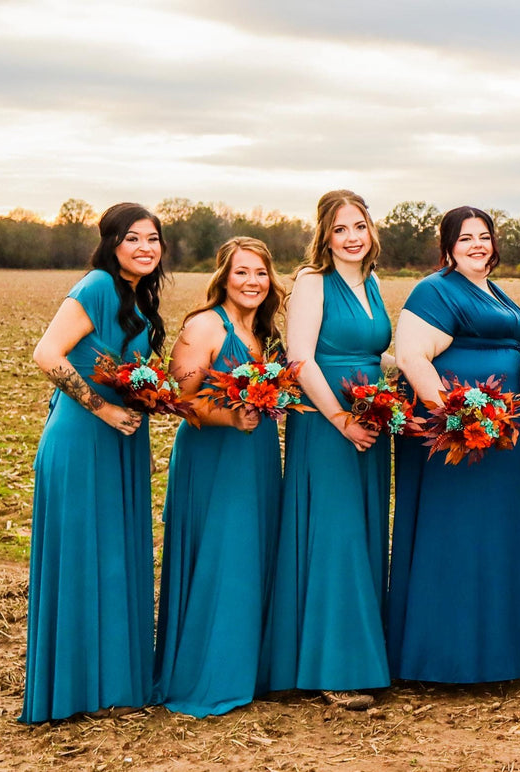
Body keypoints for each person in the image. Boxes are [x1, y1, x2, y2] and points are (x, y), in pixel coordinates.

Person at [23, 203, 168, 723]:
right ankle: (79, 690)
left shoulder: (137, 297)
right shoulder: (98, 287)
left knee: (114, 557)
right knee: (87, 557)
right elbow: (46, 354)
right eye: (133, 239)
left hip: (121, 441)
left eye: (153, 239)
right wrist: (103, 408)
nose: (145, 248)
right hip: (83, 439)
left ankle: (112, 685)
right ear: (111, 244)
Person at [389, 206, 520, 683]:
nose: (478, 244)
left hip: (504, 437)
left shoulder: (493, 289)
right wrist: (457, 418)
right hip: (461, 439)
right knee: (456, 534)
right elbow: (413, 356)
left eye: (485, 236)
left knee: (497, 535)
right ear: (448, 246)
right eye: (466, 237)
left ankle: (501, 654)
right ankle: (444, 656)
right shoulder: (433, 290)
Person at [263, 190, 394, 709]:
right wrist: (340, 419)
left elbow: (374, 352)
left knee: (362, 533)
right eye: (340, 229)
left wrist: (392, 396)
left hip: (369, 416)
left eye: (358, 225)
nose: (351, 237)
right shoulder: (313, 282)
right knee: (334, 534)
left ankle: (360, 654)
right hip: (326, 420)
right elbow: (299, 359)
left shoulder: (374, 282)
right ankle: (330, 666)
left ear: (370, 229)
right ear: (325, 234)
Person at [155, 237, 286, 717]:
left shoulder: (266, 332)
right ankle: (207, 675)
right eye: (242, 273)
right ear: (223, 278)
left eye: (260, 273)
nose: (252, 282)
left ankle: (248, 670)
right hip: (214, 457)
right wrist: (229, 417)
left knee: (252, 554)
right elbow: (177, 397)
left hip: (257, 456)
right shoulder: (205, 325)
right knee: (223, 555)